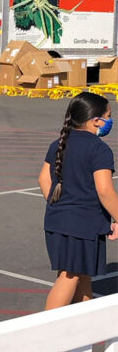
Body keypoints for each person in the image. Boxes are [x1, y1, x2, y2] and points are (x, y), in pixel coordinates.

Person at [38, 92, 118, 311]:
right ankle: (47, 328)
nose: (110, 121)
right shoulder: (99, 149)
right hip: (82, 225)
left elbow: (44, 179)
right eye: (108, 116)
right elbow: (105, 190)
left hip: (58, 221)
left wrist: (59, 206)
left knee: (82, 274)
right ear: (96, 121)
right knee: (69, 276)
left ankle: (85, 323)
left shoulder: (58, 143)